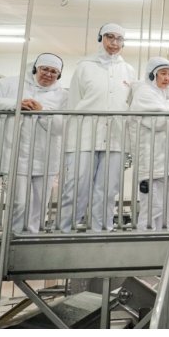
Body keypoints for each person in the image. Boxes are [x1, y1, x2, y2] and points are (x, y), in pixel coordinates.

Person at [0, 53, 68, 233]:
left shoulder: (62, 96)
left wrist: (42, 111)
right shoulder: (10, 84)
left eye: (54, 72)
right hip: (15, 157)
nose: (48, 74)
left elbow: (62, 128)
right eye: (45, 69)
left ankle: (31, 238)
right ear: (35, 68)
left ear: (59, 75)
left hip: (46, 158)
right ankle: (14, 237)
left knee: (39, 205)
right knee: (19, 203)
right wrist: (15, 104)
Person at [59, 23, 136, 232]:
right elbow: (74, 103)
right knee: (77, 186)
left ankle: (101, 231)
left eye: (119, 39)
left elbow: (131, 103)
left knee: (108, 189)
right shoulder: (84, 67)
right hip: (84, 136)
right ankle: (65, 230)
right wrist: (71, 138)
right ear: (100, 39)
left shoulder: (128, 70)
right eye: (110, 37)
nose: (114, 43)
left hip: (116, 138)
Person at [129, 57, 169, 231]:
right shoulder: (144, 93)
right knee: (153, 207)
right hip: (151, 161)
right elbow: (161, 121)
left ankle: (163, 240)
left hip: (166, 160)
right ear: (152, 75)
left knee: (166, 205)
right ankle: (145, 241)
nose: (167, 78)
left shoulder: (162, 93)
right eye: (163, 74)